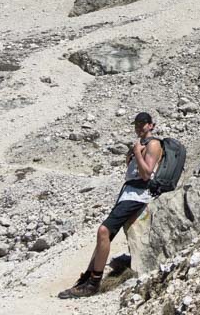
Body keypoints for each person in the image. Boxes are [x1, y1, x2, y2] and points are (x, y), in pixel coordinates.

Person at [58, 111, 164, 299]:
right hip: (129, 194)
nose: (139, 127)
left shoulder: (153, 144)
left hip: (138, 195)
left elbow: (147, 174)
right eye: (136, 124)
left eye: (143, 124)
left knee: (104, 231)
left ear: (151, 125)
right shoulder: (139, 145)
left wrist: (138, 153)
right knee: (104, 235)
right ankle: (88, 277)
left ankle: (93, 284)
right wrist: (133, 154)